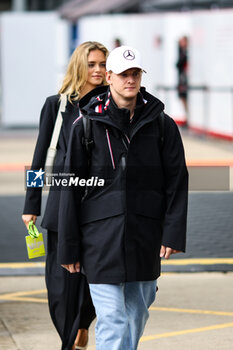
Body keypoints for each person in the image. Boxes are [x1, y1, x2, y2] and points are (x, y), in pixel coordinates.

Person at [58, 45, 188, 350]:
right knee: (113, 320)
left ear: (141, 77)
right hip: (100, 240)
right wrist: (68, 247)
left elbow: (176, 182)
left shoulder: (162, 125)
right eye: (124, 74)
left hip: (145, 238)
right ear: (110, 77)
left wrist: (172, 233)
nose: (130, 79)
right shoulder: (86, 126)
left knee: (135, 317)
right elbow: (70, 190)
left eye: (136, 73)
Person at [22, 41, 108, 350]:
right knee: (59, 283)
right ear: (79, 66)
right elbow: (38, 157)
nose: (97, 70)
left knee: (93, 278)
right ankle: (69, 339)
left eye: (102, 64)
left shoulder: (112, 104)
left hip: (99, 205)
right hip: (61, 204)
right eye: (91, 64)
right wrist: (31, 203)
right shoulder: (56, 105)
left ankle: (82, 323)